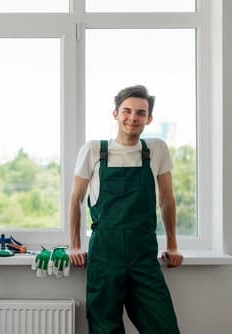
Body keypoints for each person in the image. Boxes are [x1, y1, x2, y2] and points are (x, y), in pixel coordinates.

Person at [68, 85, 183, 333]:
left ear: (149, 118)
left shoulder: (156, 149)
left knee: (164, 327)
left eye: (140, 113)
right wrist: (74, 245)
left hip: (143, 255)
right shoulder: (94, 150)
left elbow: (167, 199)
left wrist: (172, 245)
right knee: (104, 328)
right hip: (105, 255)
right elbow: (76, 199)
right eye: (127, 111)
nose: (133, 118)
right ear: (115, 114)